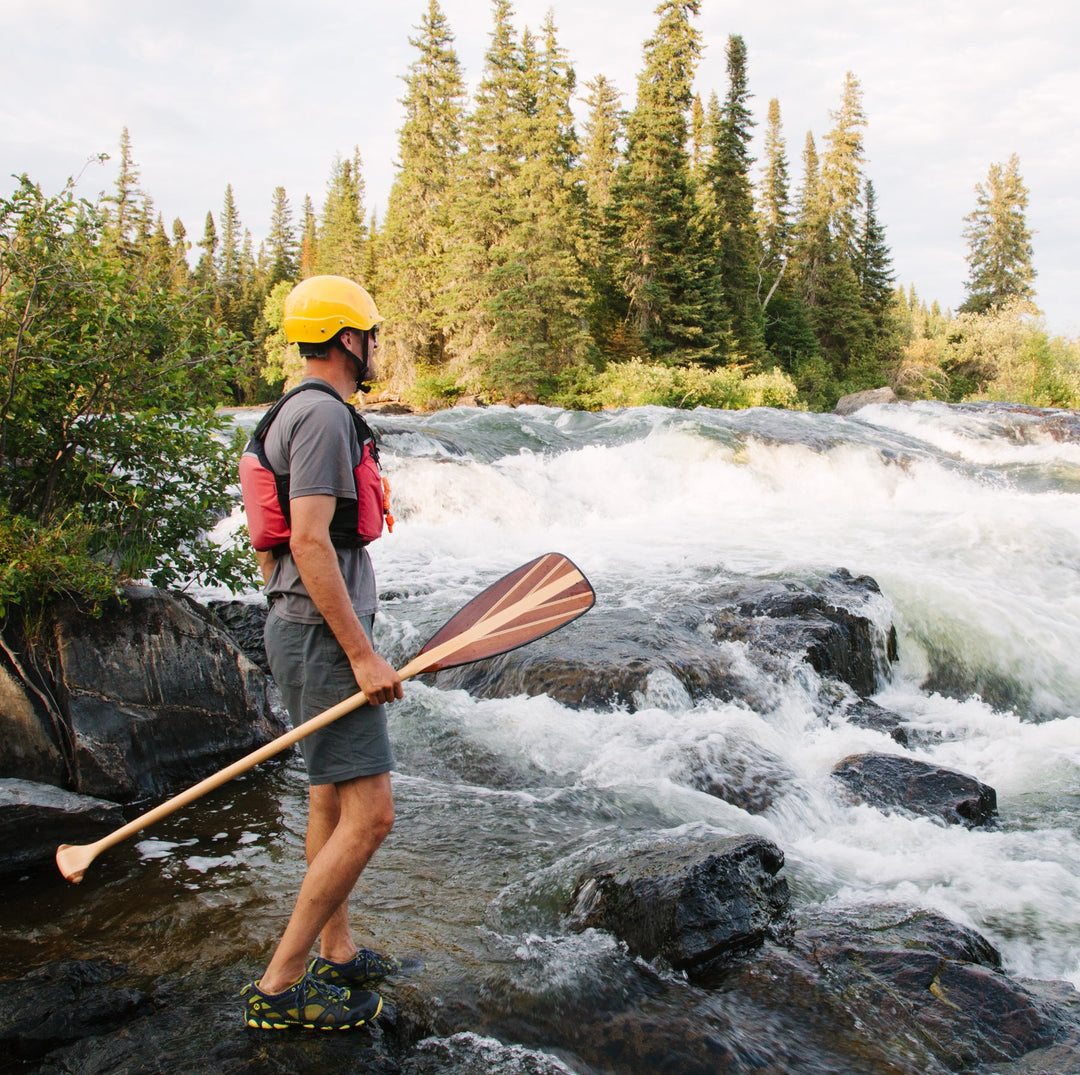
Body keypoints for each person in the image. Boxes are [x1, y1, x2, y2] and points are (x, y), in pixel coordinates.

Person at [239, 275, 404, 1031]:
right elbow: (309, 540)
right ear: (346, 339)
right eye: (368, 333)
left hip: (304, 628)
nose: (375, 345)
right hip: (317, 633)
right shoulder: (323, 418)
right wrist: (363, 655)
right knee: (371, 816)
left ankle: (334, 951)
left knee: (328, 798)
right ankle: (279, 983)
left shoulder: (300, 409)